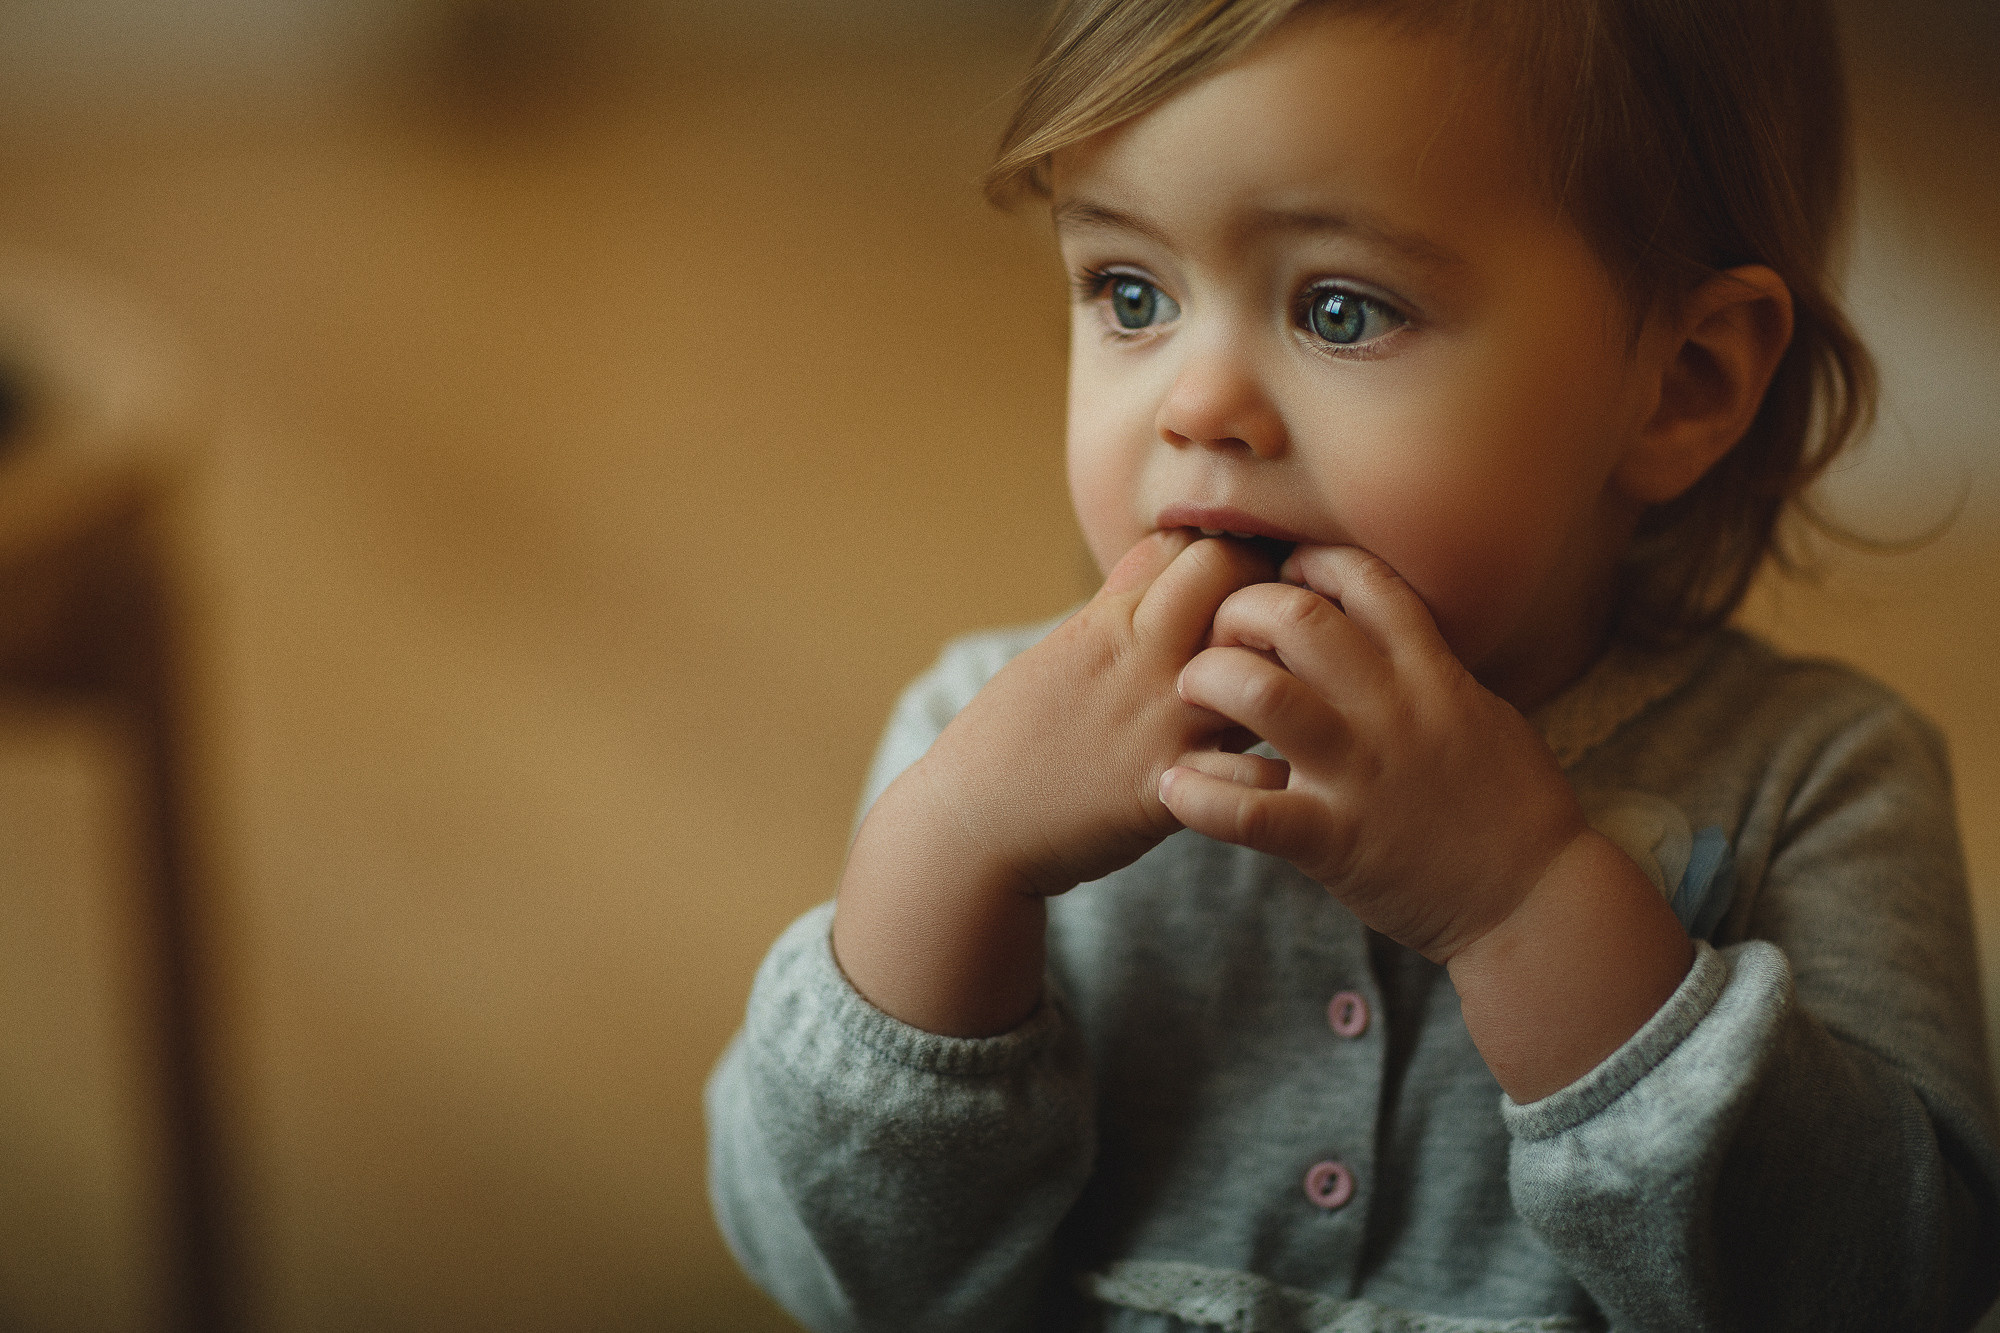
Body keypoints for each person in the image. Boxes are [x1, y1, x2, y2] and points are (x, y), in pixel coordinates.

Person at [706, 0, 2000, 1327]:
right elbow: (845, 1277)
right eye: (1129, 292)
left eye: (1338, 308)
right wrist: (950, 855)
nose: (1194, 404)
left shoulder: (1818, 784)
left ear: (1679, 383)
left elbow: (1893, 1283)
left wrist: (1522, 901)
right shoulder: (982, 753)